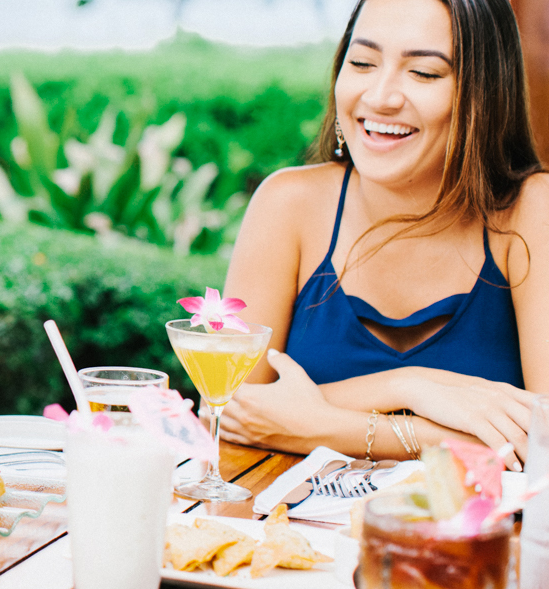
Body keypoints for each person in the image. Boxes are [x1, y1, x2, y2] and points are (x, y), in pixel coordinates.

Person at [219, 0, 547, 468]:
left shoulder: (530, 210)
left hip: (475, 538)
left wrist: (325, 427)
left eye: (425, 73)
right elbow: (234, 409)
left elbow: (545, 436)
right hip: (292, 533)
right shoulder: (287, 203)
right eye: (362, 63)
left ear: (483, 95)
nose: (380, 96)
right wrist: (411, 386)